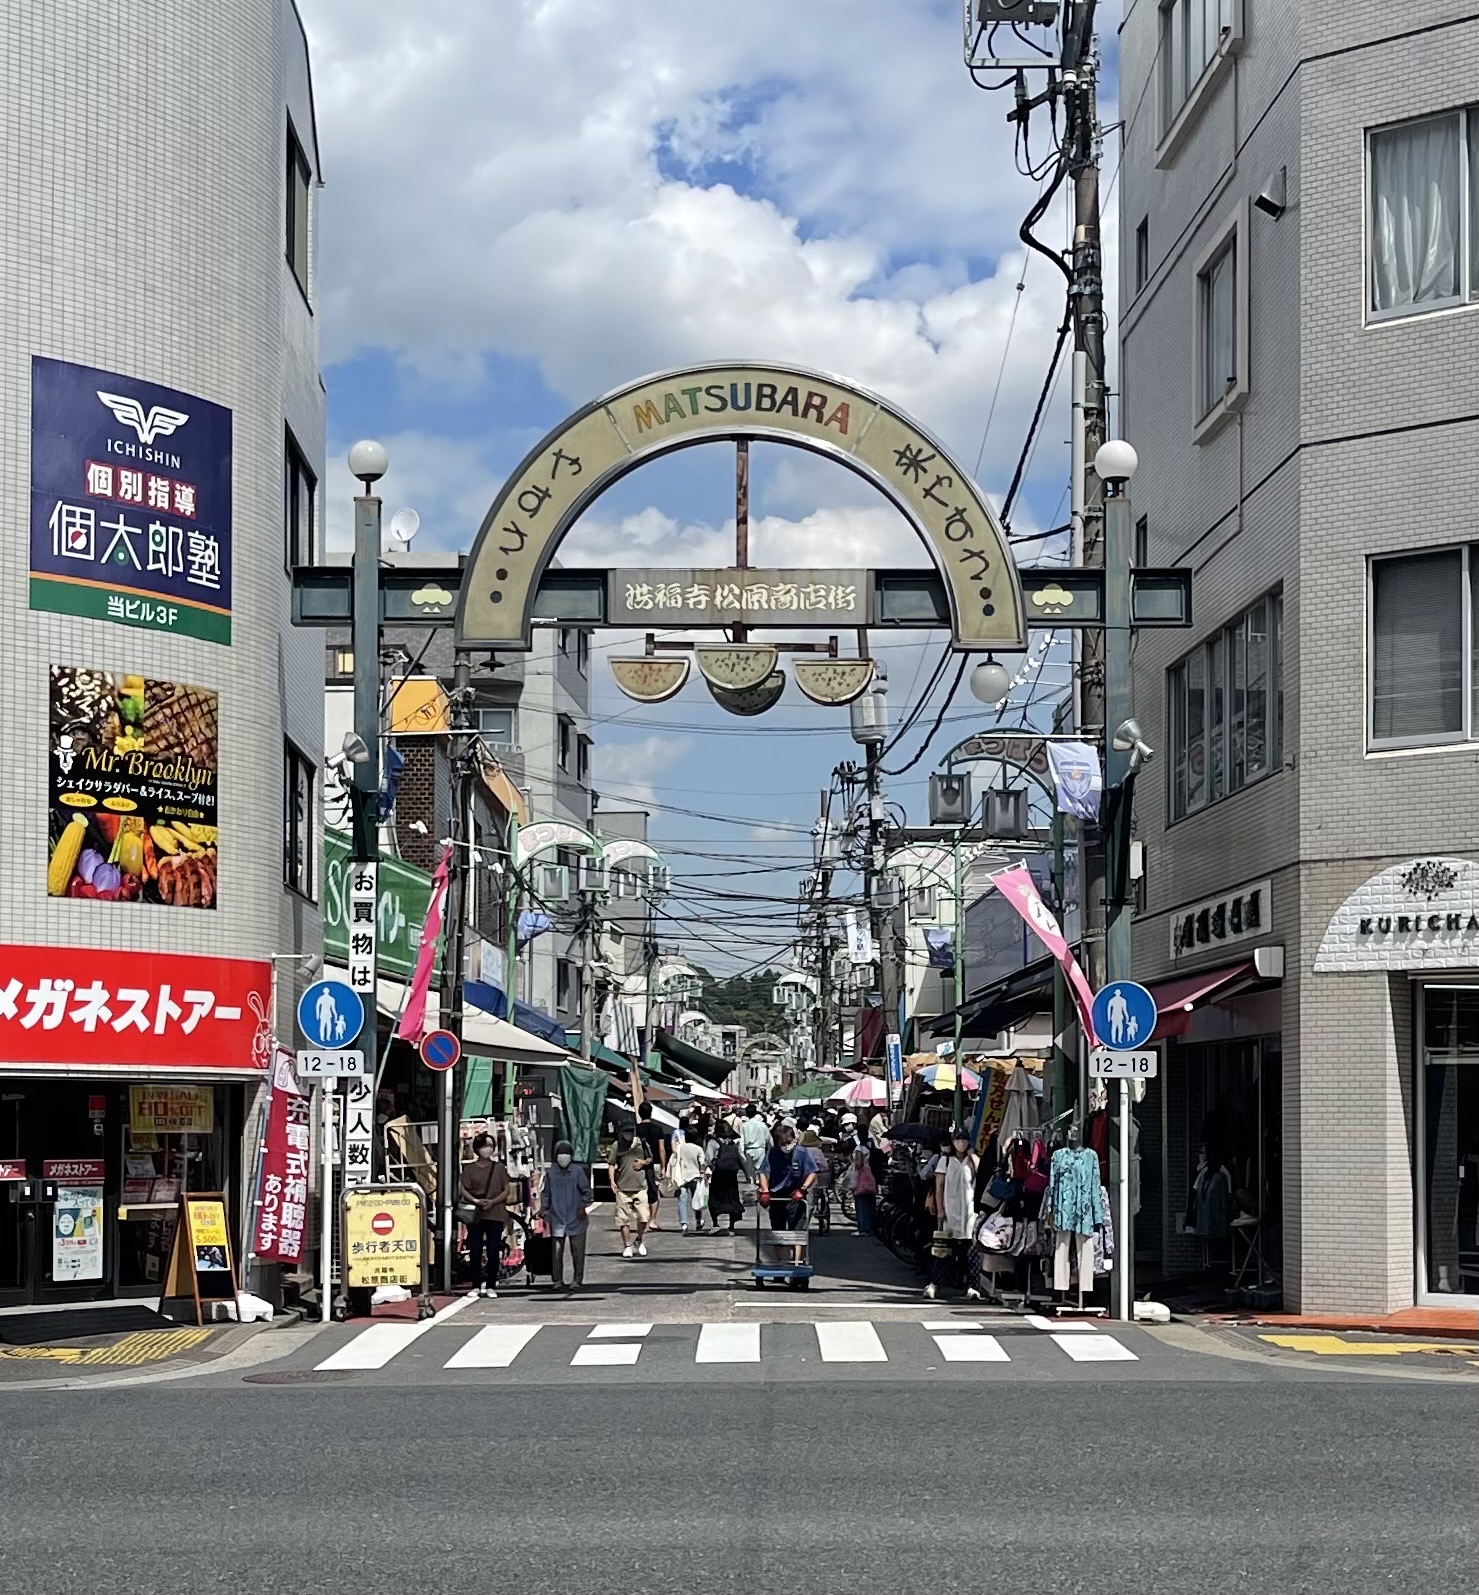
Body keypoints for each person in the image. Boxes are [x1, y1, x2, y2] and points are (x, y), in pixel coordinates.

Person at [926, 1126, 979, 1301]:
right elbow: (939, 1187)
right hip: (949, 1212)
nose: (961, 1143)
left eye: (964, 1139)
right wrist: (940, 1209)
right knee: (942, 1251)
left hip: (969, 1214)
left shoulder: (971, 1161)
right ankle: (935, 1284)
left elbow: (982, 1171)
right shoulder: (945, 1161)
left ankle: (972, 1286)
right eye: (958, 1139)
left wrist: (972, 1155)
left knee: (968, 1252)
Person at [759, 1118, 819, 1262]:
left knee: (797, 1234)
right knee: (779, 1233)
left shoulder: (801, 1152)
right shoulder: (773, 1154)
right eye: (783, 1144)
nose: (787, 1147)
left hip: (796, 1197)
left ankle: (796, 1263)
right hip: (777, 1197)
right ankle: (780, 1263)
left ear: (794, 1140)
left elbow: (812, 1172)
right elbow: (763, 1172)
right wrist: (765, 1191)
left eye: (789, 1143)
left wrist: (803, 1189)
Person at [459, 1131, 510, 1298]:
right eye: (484, 1146)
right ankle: (475, 1284)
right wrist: (475, 1200)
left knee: (493, 1249)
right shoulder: (469, 1169)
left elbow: (506, 1190)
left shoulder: (499, 1168)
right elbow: (463, 1189)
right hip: (476, 1213)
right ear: (477, 1148)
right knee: (475, 1249)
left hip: (495, 1212)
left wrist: (493, 1202)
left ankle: (491, 1284)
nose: (488, 1149)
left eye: (490, 1146)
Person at [541, 1140, 592, 1290]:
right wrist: (544, 1209)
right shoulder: (551, 1173)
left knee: (577, 1251)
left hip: (576, 1217)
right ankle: (557, 1280)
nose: (563, 1157)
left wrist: (583, 1205)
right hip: (557, 1217)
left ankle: (577, 1280)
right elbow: (546, 1193)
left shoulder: (577, 1172)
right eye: (560, 1154)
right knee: (556, 1253)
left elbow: (587, 1192)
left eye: (566, 1154)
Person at [608, 1122, 651, 1258]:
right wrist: (612, 1181)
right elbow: (611, 1164)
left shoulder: (642, 1144)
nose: (628, 1135)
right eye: (626, 1132)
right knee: (623, 1220)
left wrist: (643, 1162)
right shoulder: (616, 1146)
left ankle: (640, 1240)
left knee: (643, 1218)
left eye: (631, 1132)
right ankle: (627, 1245)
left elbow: (650, 1158)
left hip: (640, 1186)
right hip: (623, 1188)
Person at [635, 1101, 671, 1230]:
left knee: (639, 1192)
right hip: (654, 1164)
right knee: (653, 1192)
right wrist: (663, 1167)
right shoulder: (658, 1129)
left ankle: (642, 1219)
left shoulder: (636, 1129)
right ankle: (652, 1220)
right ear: (651, 1113)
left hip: (638, 1164)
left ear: (639, 1113)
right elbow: (662, 1149)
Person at [706, 1120, 746, 1233]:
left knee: (715, 1199)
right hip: (732, 1175)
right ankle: (731, 1226)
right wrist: (747, 1174)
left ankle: (715, 1224)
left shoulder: (713, 1142)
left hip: (719, 1174)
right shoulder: (735, 1142)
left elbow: (708, 1158)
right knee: (732, 1198)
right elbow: (741, 1158)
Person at [670, 1131, 710, 1234]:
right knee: (696, 1200)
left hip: (682, 1178)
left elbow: (674, 1161)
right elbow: (702, 1163)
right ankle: (698, 1220)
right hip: (695, 1177)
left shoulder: (680, 1148)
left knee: (682, 1201)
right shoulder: (698, 1149)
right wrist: (702, 1173)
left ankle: (684, 1223)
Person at [740, 1102, 771, 1182]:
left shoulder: (744, 1125)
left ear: (746, 1113)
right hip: (761, 1149)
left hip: (749, 1150)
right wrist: (770, 1149)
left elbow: (741, 1139)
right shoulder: (762, 1125)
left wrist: (741, 1152)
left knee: (750, 1173)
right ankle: (761, 1186)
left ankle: (752, 1186)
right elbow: (768, 1138)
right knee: (761, 1170)